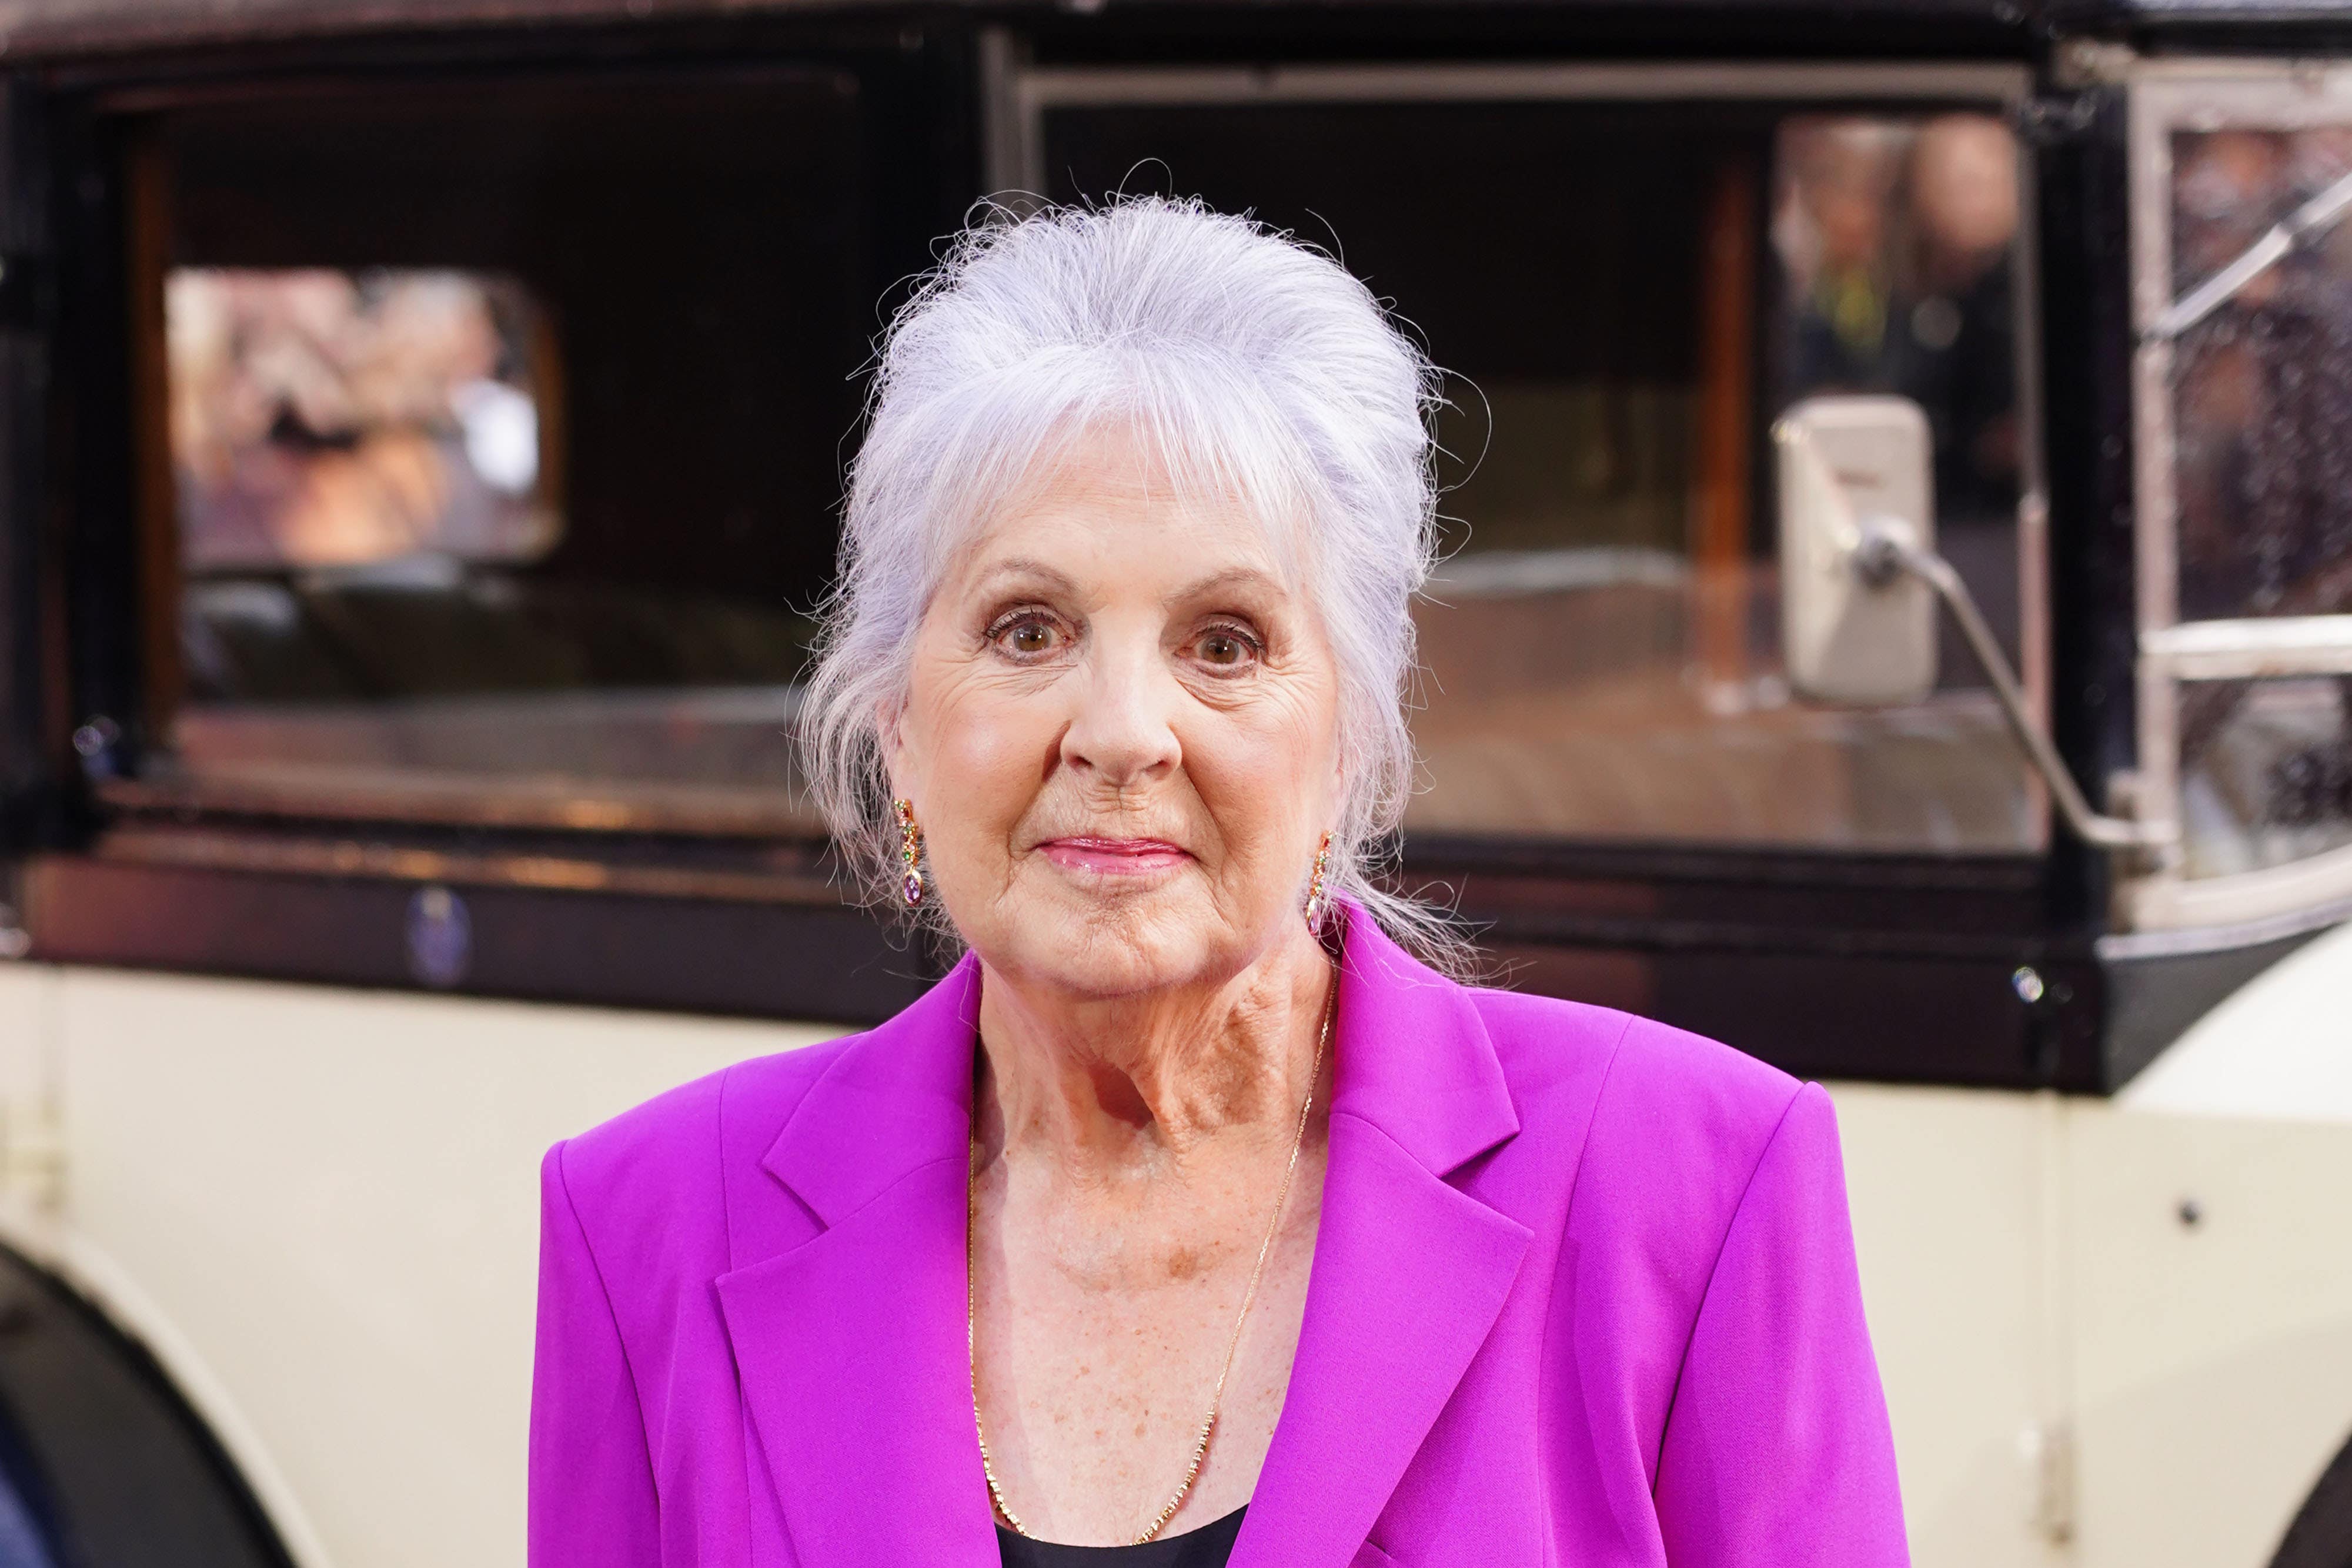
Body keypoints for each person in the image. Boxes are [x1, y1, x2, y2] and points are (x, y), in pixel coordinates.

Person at [528, 196, 1909, 1567]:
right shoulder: (647, 1223)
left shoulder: (1691, 1187)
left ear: (1349, 735)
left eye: (1225, 642)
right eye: (1027, 629)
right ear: (897, 726)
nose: (1122, 730)